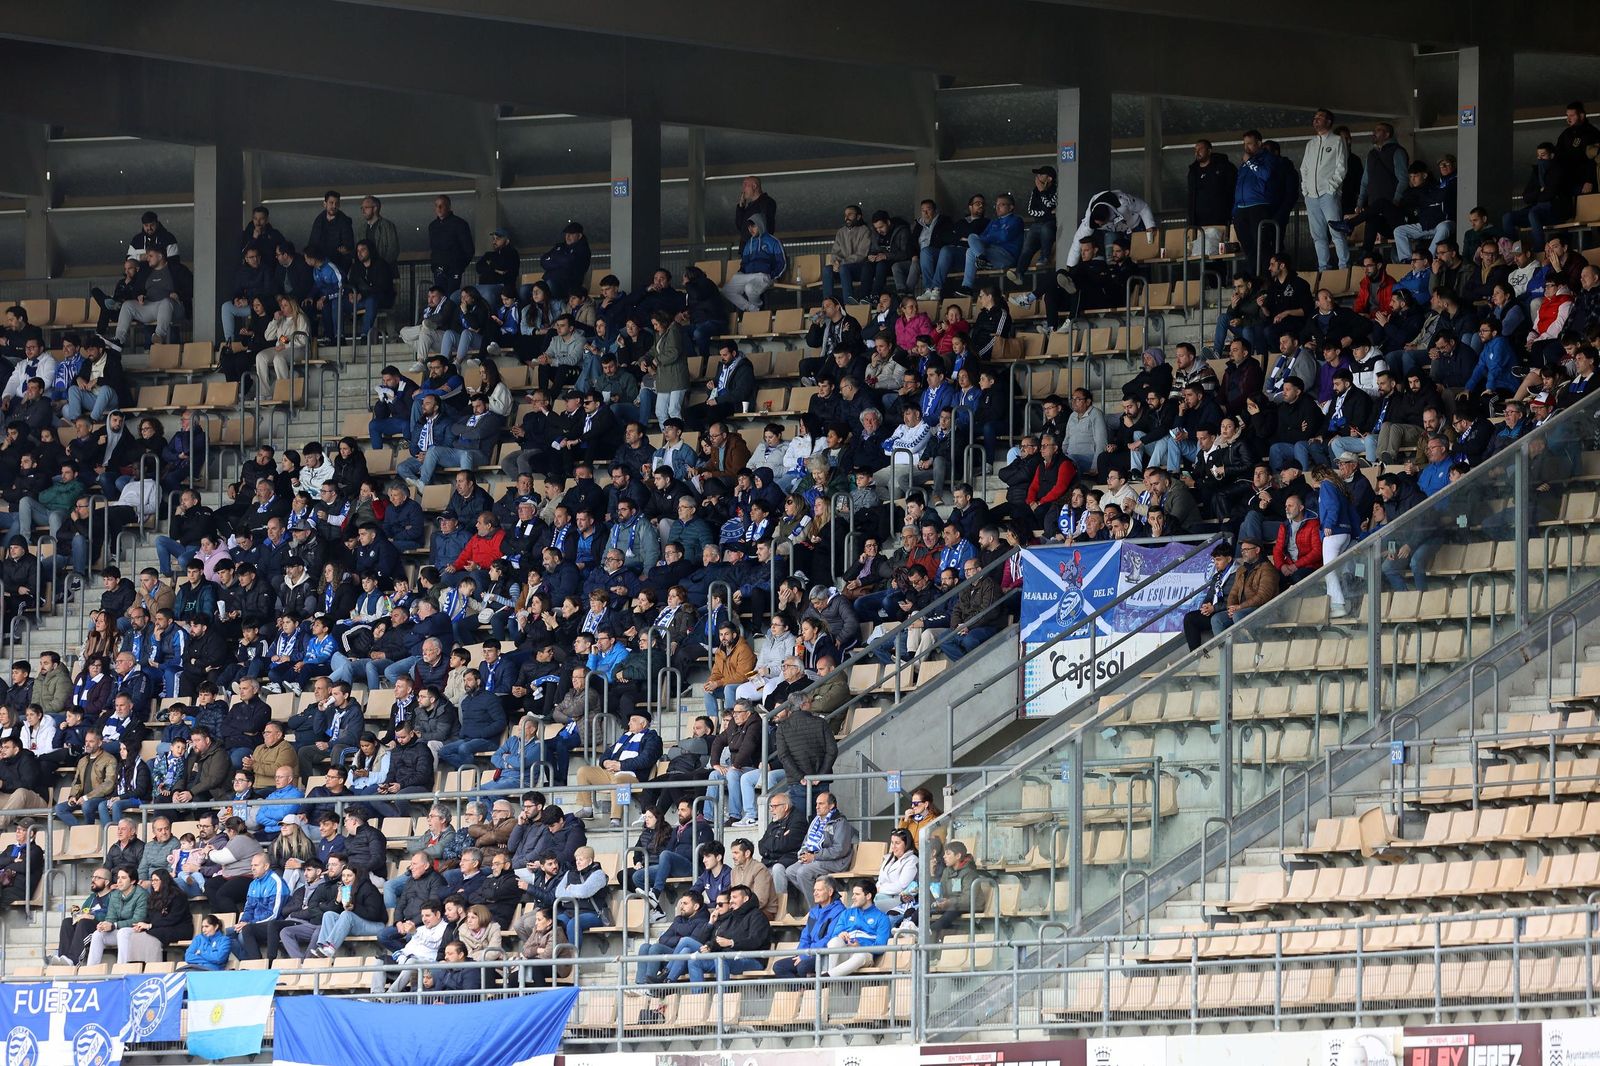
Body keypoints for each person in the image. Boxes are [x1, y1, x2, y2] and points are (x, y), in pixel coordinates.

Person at [686, 884, 771, 986]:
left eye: (735, 897)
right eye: (730, 898)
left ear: (745, 898)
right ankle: (697, 999)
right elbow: (722, 938)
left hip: (753, 959)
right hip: (730, 957)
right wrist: (710, 946)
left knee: (721, 958)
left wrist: (732, 943)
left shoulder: (758, 916)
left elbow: (755, 941)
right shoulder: (733, 916)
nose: (731, 901)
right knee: (694, 961)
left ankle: (722, 998)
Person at [782, 791, 857, 899]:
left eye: (821, 804)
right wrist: (804, 854)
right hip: (817, 859)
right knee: (790, 871)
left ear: (831, 806)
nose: (817, 807)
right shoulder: (815, 822)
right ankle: (822, 900)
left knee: (803, 872)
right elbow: (806, 842)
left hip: (836, 862)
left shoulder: (840, 822)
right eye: (816, 804)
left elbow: (840, 850)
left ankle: (816, 909)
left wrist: (815, 856)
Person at [723, 215, 786, 312]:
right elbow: (744, 264)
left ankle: (756, 311)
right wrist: (740, 273)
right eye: (749, 227)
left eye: (754, 226)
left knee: (750, 288)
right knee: (727, 290)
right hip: (747, 276)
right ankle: (753, 309)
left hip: (763, 275)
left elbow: (781, 263)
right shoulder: (749, 244)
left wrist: (773, 276)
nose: (751, 229)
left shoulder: (773, 241)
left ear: (760, 225)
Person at [1183, 541, 1239, 650]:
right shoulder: (1217, 576)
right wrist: (1205, 606)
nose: (1215, 563)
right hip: (1214, 610)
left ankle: (1224, 652)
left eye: (1219, 560)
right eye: (1214, 560)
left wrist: (1214, 608)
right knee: (1190, 618)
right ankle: (1195, 654)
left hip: (1228, 612)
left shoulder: (1238, 574)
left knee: (1216, 619)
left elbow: (1234, 600)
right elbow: (1209, 596)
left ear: (1229, 559)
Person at [49, 867, 111, 965]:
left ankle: (73, 960)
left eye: (97, 878)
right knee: (67, 922)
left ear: (107, 882)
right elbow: (83, 912)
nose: (93, 880)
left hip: (102, 926)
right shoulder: (92, 898)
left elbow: (112, 914)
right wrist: (77, 915)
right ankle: (63, 958)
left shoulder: (113, 896)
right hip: (86, 925)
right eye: (93, 877)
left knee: (84, 922)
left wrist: (93, 916)